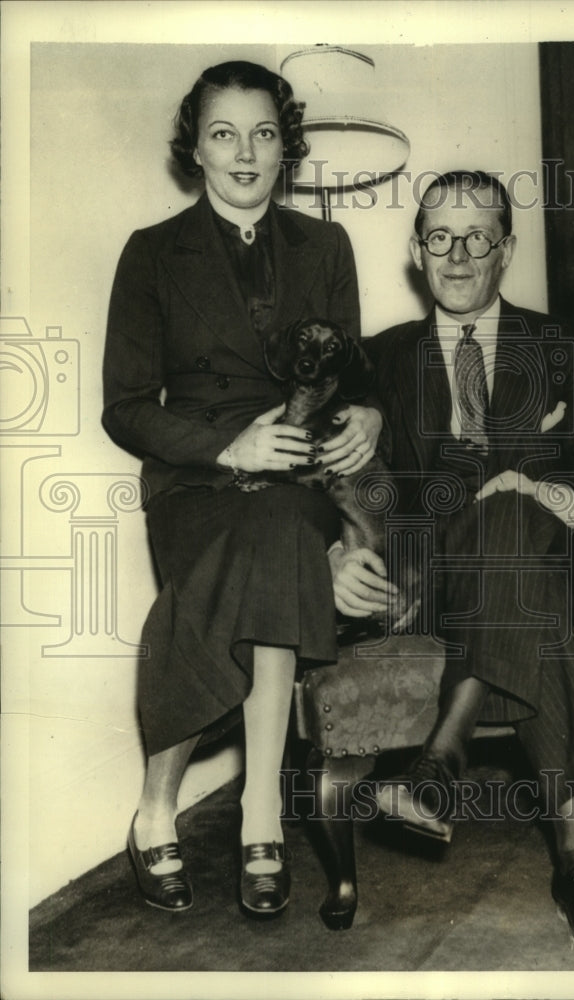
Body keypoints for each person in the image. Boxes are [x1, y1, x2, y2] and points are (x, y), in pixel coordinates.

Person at [333, 170, 574, 954]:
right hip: (432, 586)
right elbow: (343, 486)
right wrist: (337, 550)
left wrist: (529, 487)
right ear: (417, 250)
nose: (460, 254)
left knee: (512, 518)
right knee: (512, 581)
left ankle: (441, 755)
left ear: (506, 248)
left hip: (548, 567)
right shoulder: (378, 361)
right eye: (441, 236)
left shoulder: (567, 347)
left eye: (480, 236)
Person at [102, 61, 382, 918]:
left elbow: (351, 367)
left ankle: (204, 808)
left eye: (263, 133)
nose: (246, 153)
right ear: (195, 147)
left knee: (278, 532)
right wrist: (232, 445)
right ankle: (249, 813)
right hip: (197, 485)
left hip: (295, 482)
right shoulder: (152, 253)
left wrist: (367, 409)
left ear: (285, 144)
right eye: (224, 134)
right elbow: (125, 409)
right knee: (272, 545)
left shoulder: (325, 246)